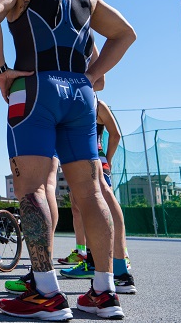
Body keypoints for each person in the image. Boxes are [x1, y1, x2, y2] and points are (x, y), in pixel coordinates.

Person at [0, 0, 136, 320]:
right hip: (82, 93)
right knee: (91, 191)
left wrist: (0, 72)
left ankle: (46, 292)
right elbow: (126, 33)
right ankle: (104, 291)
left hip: (34, 88)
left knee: (33, 188)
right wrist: (93, 75)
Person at [59, 97, 136, 294]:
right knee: (84, 206)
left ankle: (119, 269)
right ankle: (94, 260)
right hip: (81, 161)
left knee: (103, 204)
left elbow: (115, 134)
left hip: (92, 160)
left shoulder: (95, 103)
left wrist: (106, 160)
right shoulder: (80, 101)